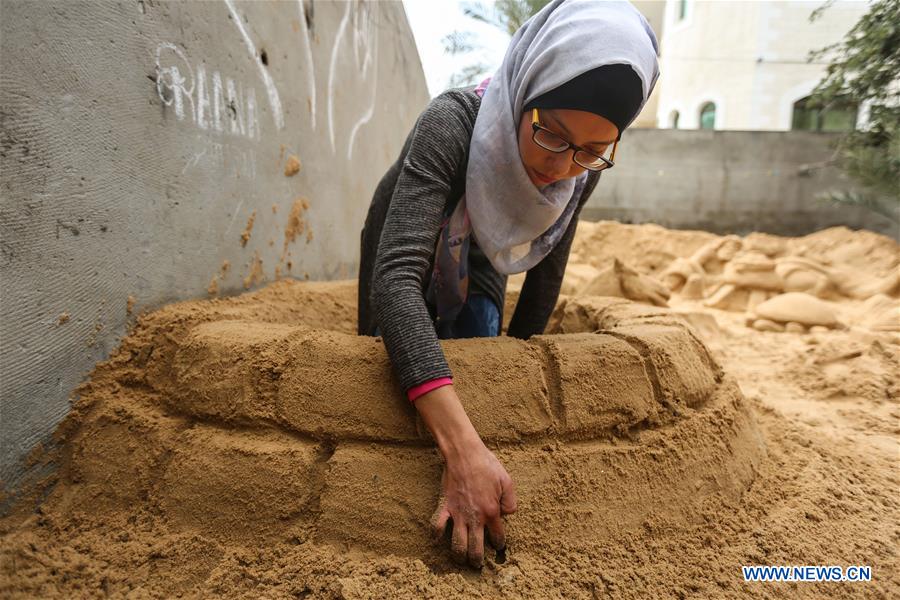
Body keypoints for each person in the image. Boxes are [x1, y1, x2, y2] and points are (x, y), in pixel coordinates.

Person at [357, 0, 659, 568]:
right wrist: (464, 450)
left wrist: (514, 376)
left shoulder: (577, 170)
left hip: (483, 255)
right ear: (526, 92)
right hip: (412, 237)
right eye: (553, 136)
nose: (563, 167)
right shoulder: (451, 123)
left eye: (594, 151)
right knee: (382, 364)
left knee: (480, 351)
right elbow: (394, 281)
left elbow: (545, 282)